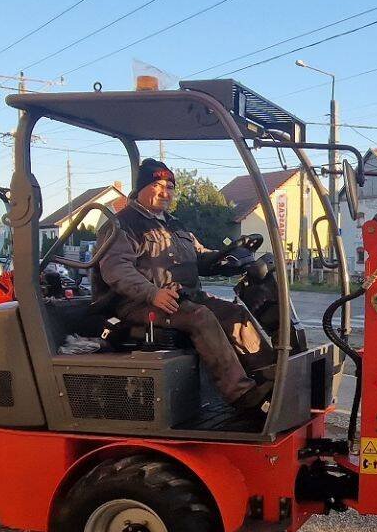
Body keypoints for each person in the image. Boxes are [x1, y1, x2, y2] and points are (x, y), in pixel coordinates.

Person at [98, 159, 271, 413]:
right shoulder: (123, 225)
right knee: (200, 317)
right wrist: (152, 292)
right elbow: (116, 269)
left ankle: (270, 378)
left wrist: (229, 258)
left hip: (182, 297)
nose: (164, 192)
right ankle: (242, 395)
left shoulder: (174, 224)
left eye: (169, 186)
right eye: (157, 185)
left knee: (236, 313)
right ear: (142, 187)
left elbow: (198, 256)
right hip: (139, 303)